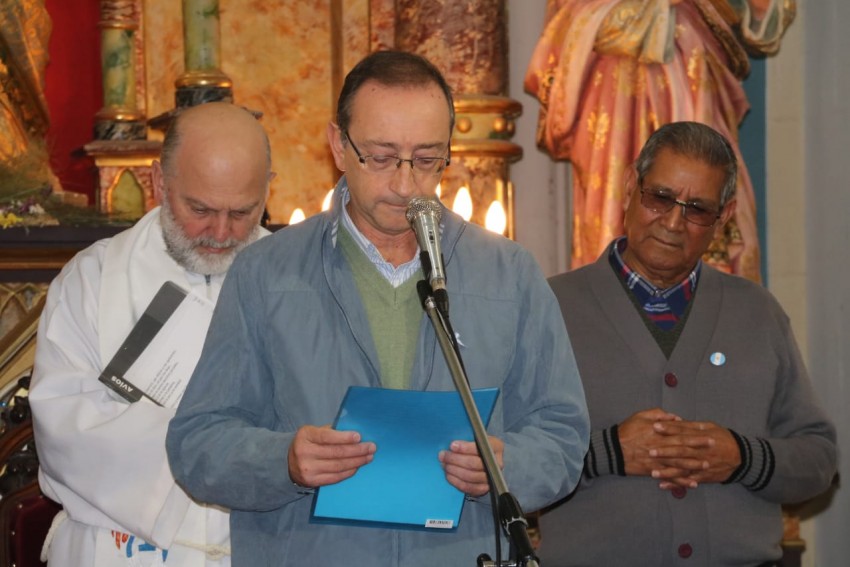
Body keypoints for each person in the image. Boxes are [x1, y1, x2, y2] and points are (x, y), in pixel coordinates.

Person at [166, 50, 590, 566]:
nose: (406, 184)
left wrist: (507, 466)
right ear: (338, 146)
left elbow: (564, 436)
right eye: (383, 157)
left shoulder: (509, 274)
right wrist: (283, 460)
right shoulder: (265, 272)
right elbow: (197, 443)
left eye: (428, 158)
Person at [540, 121, 836, 566]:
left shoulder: (758, 312)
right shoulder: (548, 307)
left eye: (697, 209)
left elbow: (819, 460)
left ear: (725, 215)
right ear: (629, 186)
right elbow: (498, 456)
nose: (674, 223)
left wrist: (743, 458)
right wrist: (608, 452)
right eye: (660, 198)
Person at [29, 102, 273, 566]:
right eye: (199, 208)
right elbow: (65, 425)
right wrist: (212, 442)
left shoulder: (296, 281)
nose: (221, 232)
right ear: (160, 183)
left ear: (268, 190)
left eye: (242, 211)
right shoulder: (93, 280)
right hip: (118, 546)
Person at [525, 0, 797, 281]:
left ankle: (710, 303)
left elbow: (764, 14)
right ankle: (611, 301)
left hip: (695, 68)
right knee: (622, 202)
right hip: (618, 86)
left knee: (705, 193)